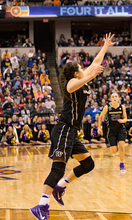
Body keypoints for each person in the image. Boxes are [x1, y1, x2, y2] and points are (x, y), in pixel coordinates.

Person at [30, 33, 114, 220]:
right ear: (76, 72)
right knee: (57, 168)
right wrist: (91, 74)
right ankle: (41, 205)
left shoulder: (82, 79)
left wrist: (106, 46)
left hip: (72, 133)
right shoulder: (72, 83)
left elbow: (96, 61)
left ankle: (61, 186)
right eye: (81, 68)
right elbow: (70, 88)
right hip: (63, 130)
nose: (84, 68)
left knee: (88, 164)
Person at [98, 92, 127, 173]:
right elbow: (100, 116)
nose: (114, 98)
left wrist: (122, 120)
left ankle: (122, 164)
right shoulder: (107, 107)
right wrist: (99, 128)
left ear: (118, 98)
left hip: (121, 129)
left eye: (116, 96)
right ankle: (115, 146)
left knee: (122, 147)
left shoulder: (122, 107)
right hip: (111, 130)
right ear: (110, 99)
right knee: (113, 151)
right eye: (113, 97)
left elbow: (125, 118)